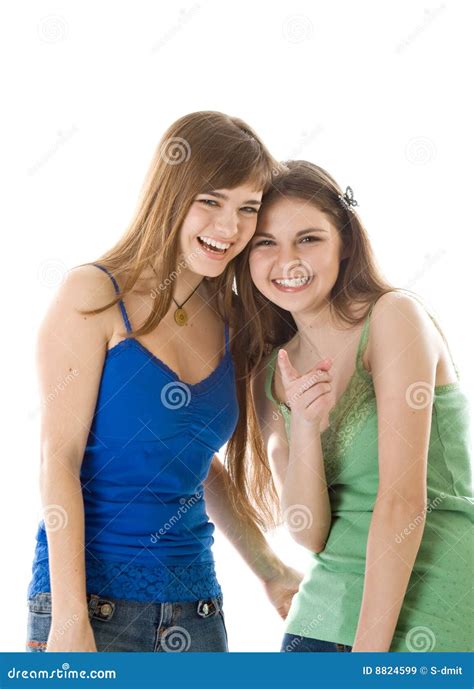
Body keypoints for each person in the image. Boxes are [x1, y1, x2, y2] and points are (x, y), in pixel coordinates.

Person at [26, 112, 301, 653]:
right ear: (171, 191)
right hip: (92, 606)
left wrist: (270, 570)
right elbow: (58, 459)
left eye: (248, 209)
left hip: (196, 606)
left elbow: (194, 464)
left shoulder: (231, 319)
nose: (229, 228)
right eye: (212, 201)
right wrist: (68, 619)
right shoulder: (95, 294)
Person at [231, 160, 473, 652]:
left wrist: (368, 660)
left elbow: (401, 499)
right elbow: (310, 532)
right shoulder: (268, 372)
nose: (287, 260)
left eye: (309, 238)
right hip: (320, 623)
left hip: (437, 616)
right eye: (266, 243)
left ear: (344, 242)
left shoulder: (393, 318)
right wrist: (304, 425)